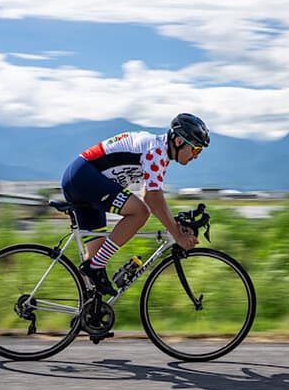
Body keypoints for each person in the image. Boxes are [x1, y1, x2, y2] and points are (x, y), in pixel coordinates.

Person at [60, 113, 210, 296]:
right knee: (140, 212)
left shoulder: (160, 153)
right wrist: (176, 234)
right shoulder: (156, 151)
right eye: (196, 150)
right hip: (83, 178)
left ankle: (87, 312)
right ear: (179, 141)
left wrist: (176, 226)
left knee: (95, 259)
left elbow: (156, 197)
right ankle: (95, 267)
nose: (196, 156)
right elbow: (152, 198)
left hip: (86, 180)